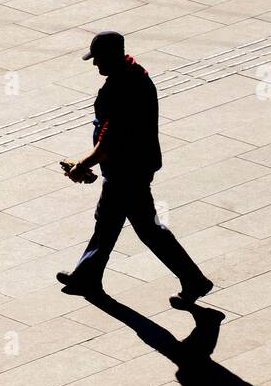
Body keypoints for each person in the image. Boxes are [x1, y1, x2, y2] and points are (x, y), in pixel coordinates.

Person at [56, 31, 213, 308]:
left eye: (98, 59)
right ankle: (87, 275)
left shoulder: (122, 88)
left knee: (147, 230)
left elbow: (110, 139)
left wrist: (82, 166)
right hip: (130, 166)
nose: (95, 65)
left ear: (111, 56)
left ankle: (194, 280)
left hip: (127, 170)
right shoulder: (137, 76)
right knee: (107, 221)